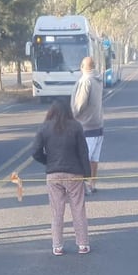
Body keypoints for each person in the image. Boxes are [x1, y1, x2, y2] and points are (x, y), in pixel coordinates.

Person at [32, 100, 91, 256]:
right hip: (74, 173)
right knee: (78, 209)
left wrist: (48, 161)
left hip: (53, 174)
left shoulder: (44, 127)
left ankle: (57, 246)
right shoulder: (76, 126)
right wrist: (88, 175)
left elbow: (35, 152)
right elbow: (83, 153)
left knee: (57, 211)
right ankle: (83, 244)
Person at [71, 56, 104, 194]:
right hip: (98, 125)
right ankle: (92, 184)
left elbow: (80, 104)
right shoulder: (98, 80)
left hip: (86, 126)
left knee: (82, 158)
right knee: (94, 159)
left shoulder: (85, 81)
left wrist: (72, 116)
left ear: (83, 67)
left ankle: (82, 187)